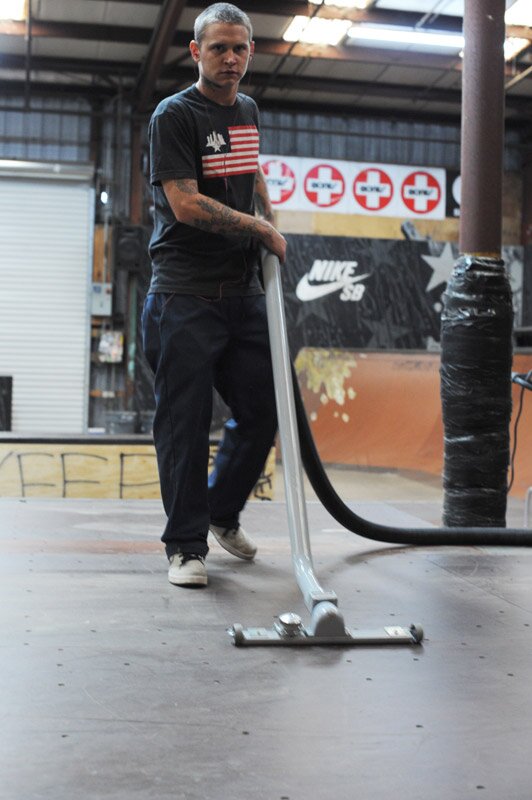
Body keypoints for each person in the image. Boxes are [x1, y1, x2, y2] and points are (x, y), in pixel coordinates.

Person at [142, 3, 286, 588]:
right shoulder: (175, 115)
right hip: (184, 294)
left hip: (240, 290)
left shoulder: (246, 108)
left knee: (266, 408)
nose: (230, 58)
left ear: (251, 51)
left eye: (240, 47)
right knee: (186, 423)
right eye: (219, 47)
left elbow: (250, 171)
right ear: (196, 51)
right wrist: (260, 230)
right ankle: (185, 548)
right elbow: (184, 203)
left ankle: (222, 513)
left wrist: (269, 217)